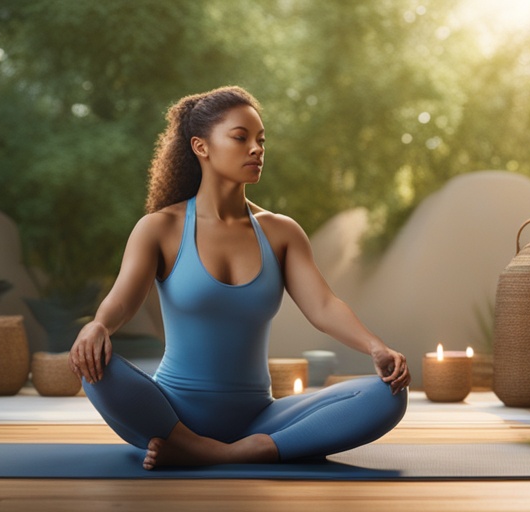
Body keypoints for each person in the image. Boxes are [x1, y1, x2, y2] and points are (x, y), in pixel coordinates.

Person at [68, 85, 410, 470]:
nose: (257, 149)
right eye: (241, 137)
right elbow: (123, 300)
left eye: (261, 140)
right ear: (201, 147)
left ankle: (216, 453)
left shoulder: (281, 232)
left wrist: (375, 347)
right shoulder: (159, 228)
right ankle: (196, 442)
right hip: (170, 413)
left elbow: (323, 306)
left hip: (258, 419)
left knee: (388, 397)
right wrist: (98, 325)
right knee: (93, 364)